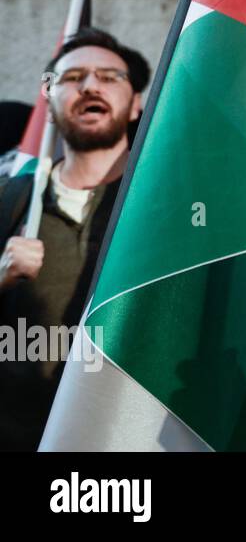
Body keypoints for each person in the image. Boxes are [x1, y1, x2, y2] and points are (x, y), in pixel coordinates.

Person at [0, 28, 150, 450]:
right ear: (49, 102)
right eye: (72, 77)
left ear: (136, 103)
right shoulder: (10, 201)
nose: (89, 86)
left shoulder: (161, 209)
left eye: (108, 77)